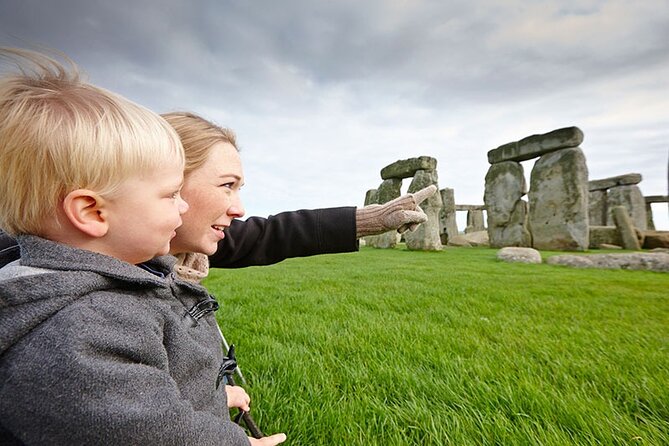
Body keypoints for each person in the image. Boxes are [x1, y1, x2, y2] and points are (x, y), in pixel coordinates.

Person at [0, 48, 285, 446]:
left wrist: (211, 395)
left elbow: (140, 393)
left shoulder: (111, 289)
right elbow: (150, 432)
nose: (182, 206)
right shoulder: (79, 330)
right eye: (170, 195)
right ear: (92, 212)